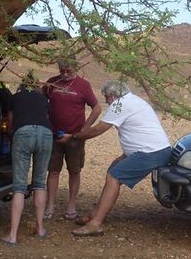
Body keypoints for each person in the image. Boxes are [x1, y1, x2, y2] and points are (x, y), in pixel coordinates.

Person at [58, 80, 172, 236]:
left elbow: (99, 129)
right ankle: (95, 214)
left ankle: (96, 224)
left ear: (112, 95)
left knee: (114, 177)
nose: (105, 101)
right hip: (152, 149)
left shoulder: (120, 104)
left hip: (150, 152)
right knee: (113, 169)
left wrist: (74, 136)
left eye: (106, 97)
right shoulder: (133, 100)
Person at [44, 58, 102, 220]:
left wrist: (85, 128)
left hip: (75, 137)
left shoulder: (83, 85)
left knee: (74, 171)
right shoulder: (52, 83)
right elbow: (40, 100)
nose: (65, 74)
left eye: (68, 71)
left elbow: (97, 108)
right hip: (54, 135)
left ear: (75, 68)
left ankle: (71, 206)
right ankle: (50, 206)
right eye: (62, 71)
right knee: (53, 170)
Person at [1, 73, 53, 246]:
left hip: (23, 133)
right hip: (46, 134)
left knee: (19, 186)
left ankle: (13, 235)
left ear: (22, 85)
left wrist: (11, 137)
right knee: (39, 183)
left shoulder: (15, 98)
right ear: (36, 86)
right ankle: (40, 228)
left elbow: (10, 122)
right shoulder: (43, 99)